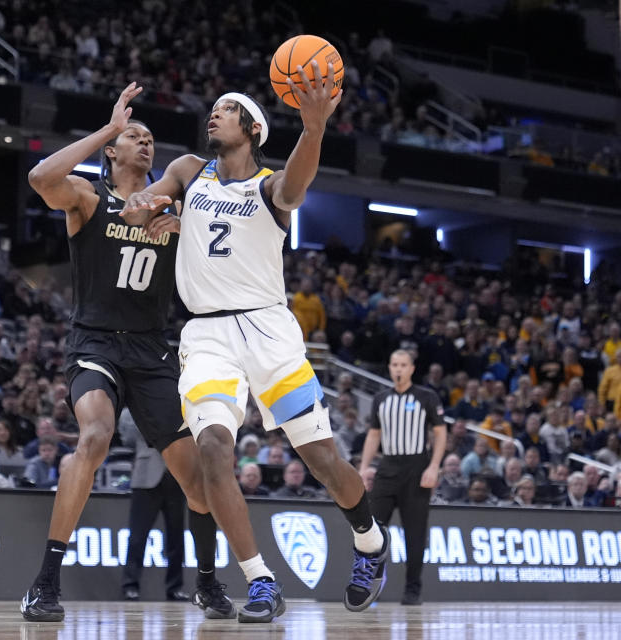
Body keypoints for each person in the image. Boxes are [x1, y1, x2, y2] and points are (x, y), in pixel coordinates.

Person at [121, 62, 388, 621]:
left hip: (269, 331)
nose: (213, 114)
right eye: (213, 109)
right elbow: (152, 197)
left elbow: (295, 185)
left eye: (226, 109)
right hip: (207, 333)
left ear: (253, 129)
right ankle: (259, 580)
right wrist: (148, 206)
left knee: (320, 458)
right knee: (214, 448)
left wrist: (313, 129)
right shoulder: (191, 171)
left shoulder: (269, 188)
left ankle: (369, 543)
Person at [20, 83, 231, 622]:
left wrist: (185, 225)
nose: (145, 142)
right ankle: (45, 581)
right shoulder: (88, 199)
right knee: (95, 434)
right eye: (134, 136)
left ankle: (206, 583)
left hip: (152, 350)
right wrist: (109, 128)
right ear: (112, 150)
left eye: (149, 137)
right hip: (94, 341)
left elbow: (224, 257)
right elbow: (40, 178)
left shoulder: (174, 205)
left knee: (195, 475)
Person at [360, 349, 447, 606]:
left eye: (403, 365)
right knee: (373, 530)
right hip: (387, 468)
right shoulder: (380, 399)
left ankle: (412, 589)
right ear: (389, 367)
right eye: (394, 364)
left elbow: (440, 433)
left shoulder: (426, 397)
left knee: (415, 533)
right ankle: (368, 583)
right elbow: (374, 435)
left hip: (416, 469)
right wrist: (364, 467)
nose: (398, 369)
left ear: (411, 368)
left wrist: (433, 467)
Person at [119, 414, 188, 602]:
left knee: (176, 538)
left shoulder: (179, 406)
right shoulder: (134, 409)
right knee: (137, 537)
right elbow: (128, 439)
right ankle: (130, 585)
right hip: (146, 476)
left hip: (177, 476)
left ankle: (175, 587)